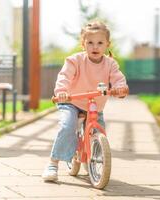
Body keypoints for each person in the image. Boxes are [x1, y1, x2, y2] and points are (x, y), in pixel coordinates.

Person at [42, 20, 129, 181]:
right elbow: (64, 77)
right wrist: (62, 91)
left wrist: (120, 88)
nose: (95, 47)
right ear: (83, 44)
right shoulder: (75, 61)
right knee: (67, 126)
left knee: (99, 132)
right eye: (90, 43)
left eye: (100, 43)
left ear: (107, 45)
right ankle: (53, 163)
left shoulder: (110, 64)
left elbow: (118, 79)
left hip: (94, 106)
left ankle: (93, 160)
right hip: (71, 101)